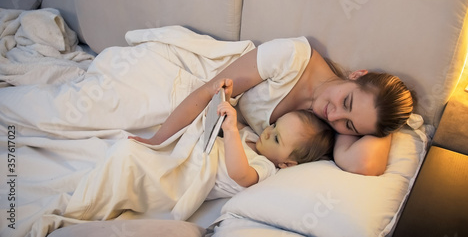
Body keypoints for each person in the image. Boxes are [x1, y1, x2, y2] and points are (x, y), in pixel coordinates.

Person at [131, 36, 415, 176]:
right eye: (347, 101)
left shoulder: (328, 127)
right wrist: (158, 140)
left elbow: (365, 163)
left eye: (350, 125)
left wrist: (383, 123)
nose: (335, 115)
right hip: (206, 87)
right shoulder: (291, 57)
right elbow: (210, 91)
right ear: (357, 74)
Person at [213, 81, 335, 192]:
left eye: (276, 139)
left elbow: (238, 174)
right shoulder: (252, 137)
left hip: (201, 175)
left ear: (287, 164)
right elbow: (227, 120)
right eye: (275, 125)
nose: (268, 132)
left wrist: (231, 131)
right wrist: (225, 100)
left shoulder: (265, 167)